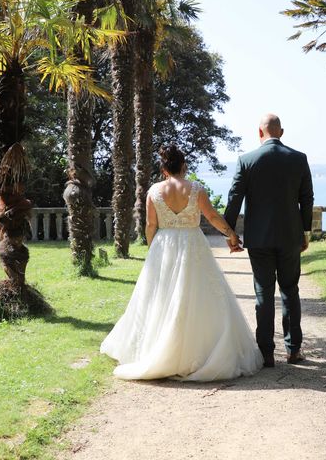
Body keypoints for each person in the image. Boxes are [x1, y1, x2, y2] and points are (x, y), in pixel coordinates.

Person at [100, 144, 263, 381]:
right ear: (184, 165)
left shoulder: (154, 191)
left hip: (163, 245)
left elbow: (150, 225)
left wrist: (152, 247)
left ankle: (158, 350)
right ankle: (198, 352)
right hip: (192, 243)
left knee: (161, 296)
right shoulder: (196, 189)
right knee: (197, 295)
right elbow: (212, 217)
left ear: (164, 168)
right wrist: (231, 234)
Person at [224, 114, 314, 368]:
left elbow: (234, 199)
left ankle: (266, 353)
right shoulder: (298, 159)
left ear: (259, 132)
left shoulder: (247, 160)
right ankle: (293, 349)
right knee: (290, 290)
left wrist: (229, 233)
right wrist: (305, 231)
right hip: (290, 237)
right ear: (281, 132)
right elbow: (306, 198)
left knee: (264, 292)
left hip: (259, 239)